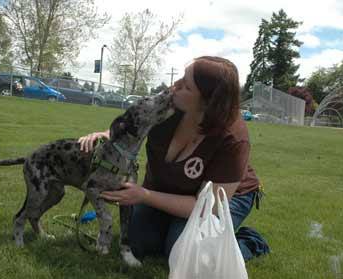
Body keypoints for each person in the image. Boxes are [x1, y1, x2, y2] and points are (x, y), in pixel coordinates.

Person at [78, 56, 268, 261]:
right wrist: (106, 135)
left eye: (186, 85)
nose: (175, 86)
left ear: (207, 102)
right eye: (180, 79)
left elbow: (205, 206)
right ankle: (177, 231)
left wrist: (144, 196)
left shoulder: (233, 139)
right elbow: (133, 123)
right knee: (137, 241)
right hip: (169, 188)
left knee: (183, 253)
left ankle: (248, 241)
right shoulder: (169, 107)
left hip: (219, 199)